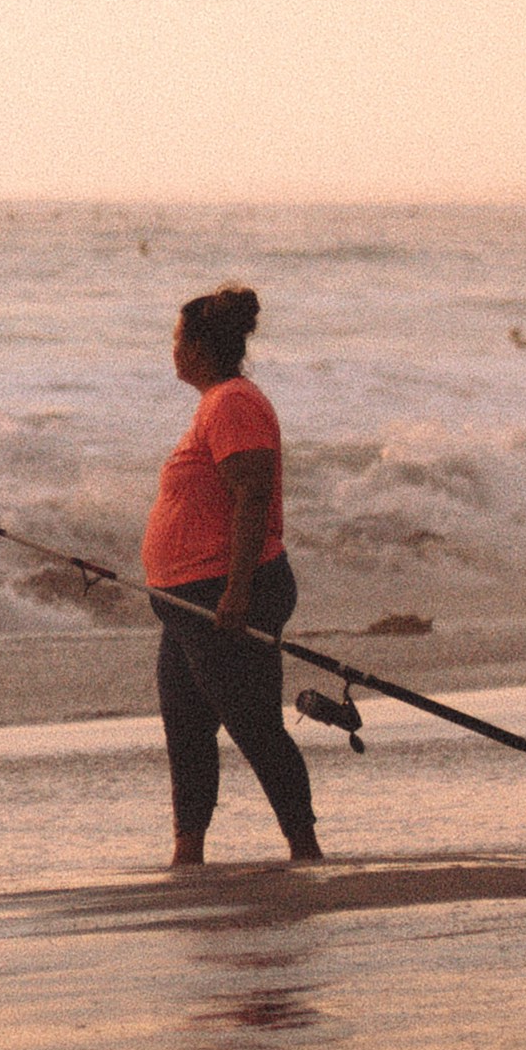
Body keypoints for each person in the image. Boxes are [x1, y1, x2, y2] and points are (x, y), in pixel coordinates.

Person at [145, 284, 323, 868]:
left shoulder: (232, 403)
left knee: (254, 728)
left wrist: (238, 590)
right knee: (187, 730)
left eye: (177, 338)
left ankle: (306, 848)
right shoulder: (215, 402)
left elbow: (252, 495)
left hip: (226, 592)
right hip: (186, 603)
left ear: (198, 346)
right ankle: (187, 853)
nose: (171, 349)